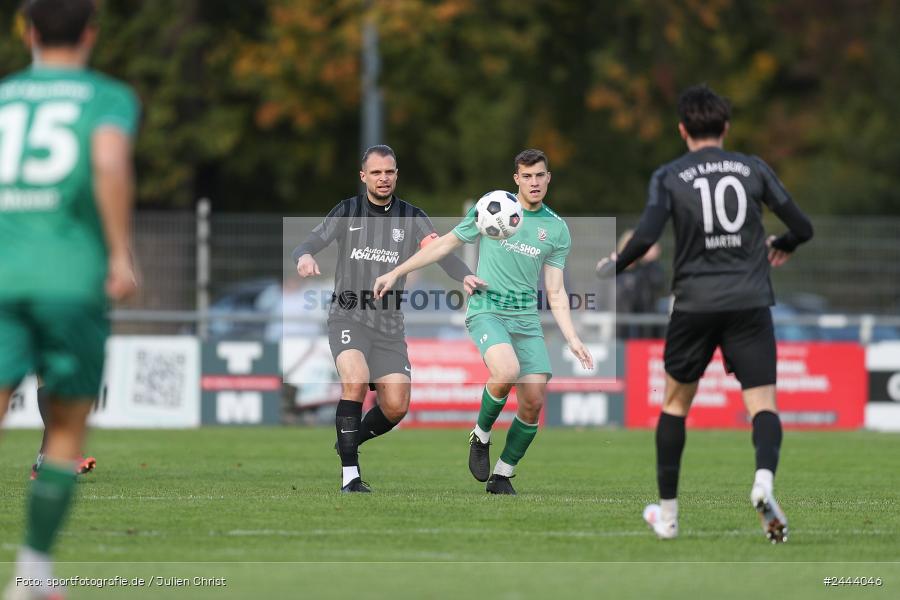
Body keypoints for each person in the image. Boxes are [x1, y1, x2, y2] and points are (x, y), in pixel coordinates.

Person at [597, 85, 813, 542]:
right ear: (725, 127)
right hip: (750, 301)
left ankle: (669, 518)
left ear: (682, 130)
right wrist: (784, 243)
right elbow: (802, 227)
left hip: (694, 303)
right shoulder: (753, 167)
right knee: (762, 404)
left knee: (675, 405)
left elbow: (646, 236)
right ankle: (763, 483)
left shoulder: (669, 175)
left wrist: (614, 264)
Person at [0, 0, 140, 598]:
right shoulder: (107, 97)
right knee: (64, 429)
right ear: (90, 35)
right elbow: (108, 161)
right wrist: (119, 253)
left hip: (4, 276)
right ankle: (33, 571)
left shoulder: (5, 97)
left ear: (29, 32)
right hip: (71, 281)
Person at [374, 149, 594, 495]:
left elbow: (555, 289)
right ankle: (481, 436)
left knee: (533, 401)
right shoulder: (491, 206)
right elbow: (445, 244)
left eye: (540, 175)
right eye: (527, 176)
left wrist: (572, 337)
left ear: (548, 178)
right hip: (487, 309)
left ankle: (502, 475)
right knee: (506, 371)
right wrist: (397, 271)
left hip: (526, 319)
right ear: (516, 179)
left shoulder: (556, 228)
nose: (534, 182)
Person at [291, 144, 483, 493]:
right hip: (348, 317)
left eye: (389, 171)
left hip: (389, 327)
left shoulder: (412, 217)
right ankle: (350, 476)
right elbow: (308, 243)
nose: (383, 178)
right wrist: (304, 257)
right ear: (363, 176)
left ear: (396, 175)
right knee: (355, 381)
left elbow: (439, 252)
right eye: (376, 172)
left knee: (396, 406)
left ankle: (349, 439)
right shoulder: (347, 210)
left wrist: (465, 275)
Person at [604, 230, 665, 339]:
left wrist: (651, 261)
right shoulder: (615, 272)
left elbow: (658, 283)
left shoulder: (645, 271)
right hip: (619, 331)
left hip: (643, 332)